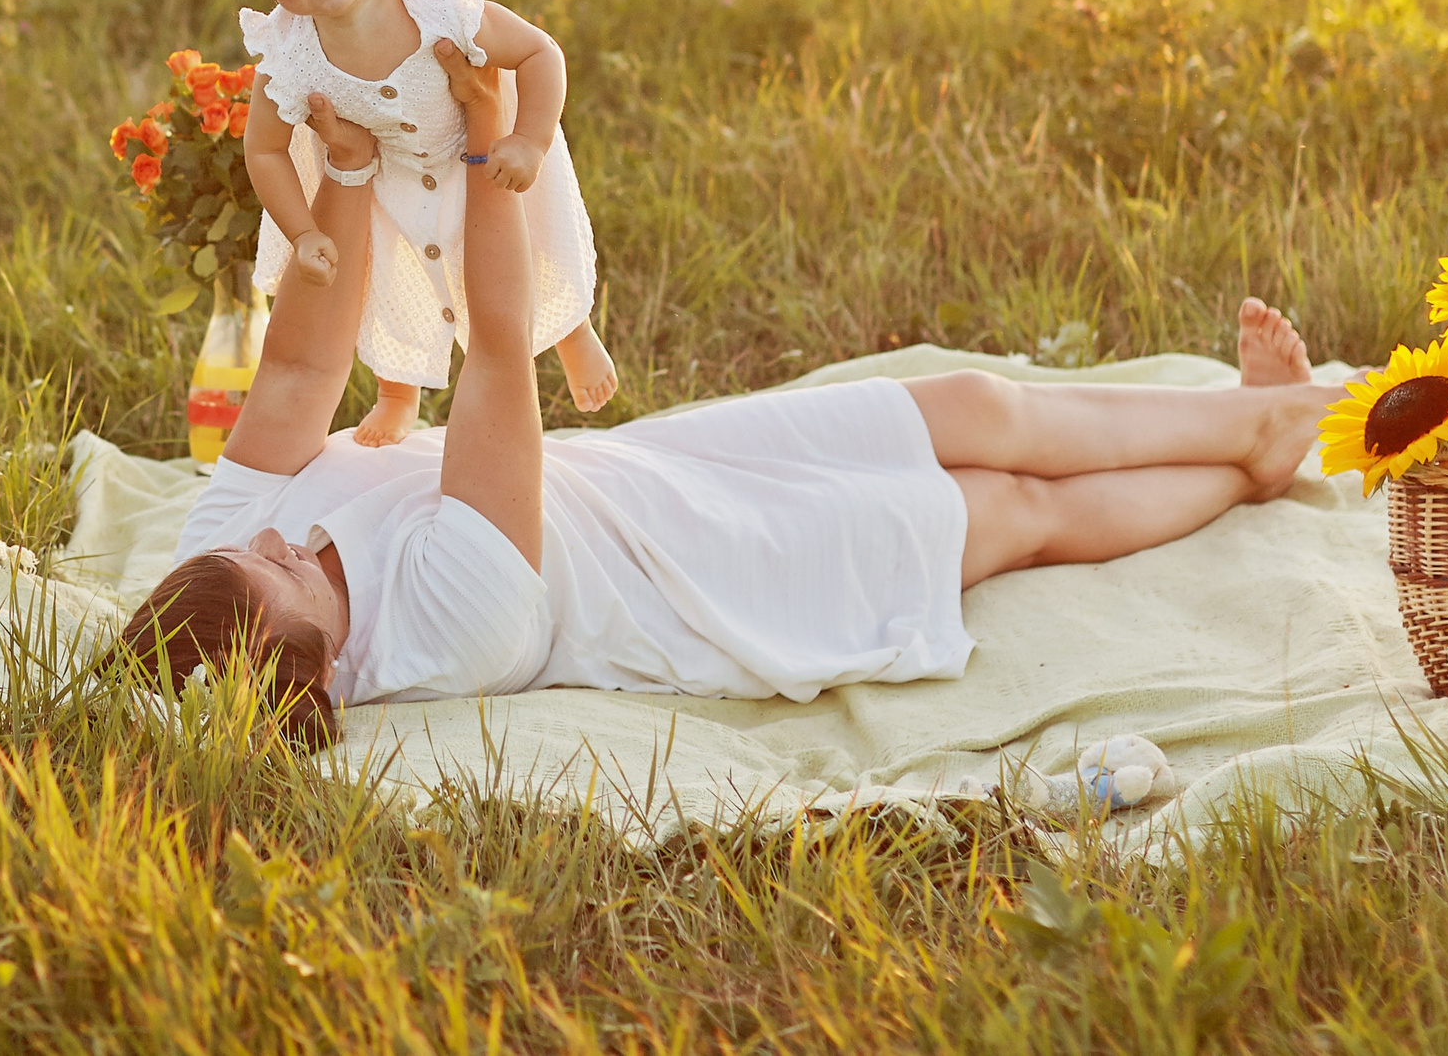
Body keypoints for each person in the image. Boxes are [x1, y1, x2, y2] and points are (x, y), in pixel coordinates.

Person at [119, 43, 1333, 747]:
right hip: (714, 577)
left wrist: (342, 171)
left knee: (973, 405)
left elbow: (299, 368)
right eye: (283, 575)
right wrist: (488, 151)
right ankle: (1258, 454)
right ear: (318, 668)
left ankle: (1254, 416)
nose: (277, 538)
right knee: (1012, 510)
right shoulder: (447, 627)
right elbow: (495, 354)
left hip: (657, 472)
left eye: (251, 550)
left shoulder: (219, 553)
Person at [229, 0, 616, 446]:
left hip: (479, 159)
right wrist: (303, 232)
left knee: (516, 260)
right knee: (386, 279)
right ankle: (396, 392)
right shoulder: (289, 54)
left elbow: (540, 52)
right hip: (389, 180)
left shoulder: (439, 6)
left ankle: (571, 333)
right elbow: (265, 150)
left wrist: (530, 140)